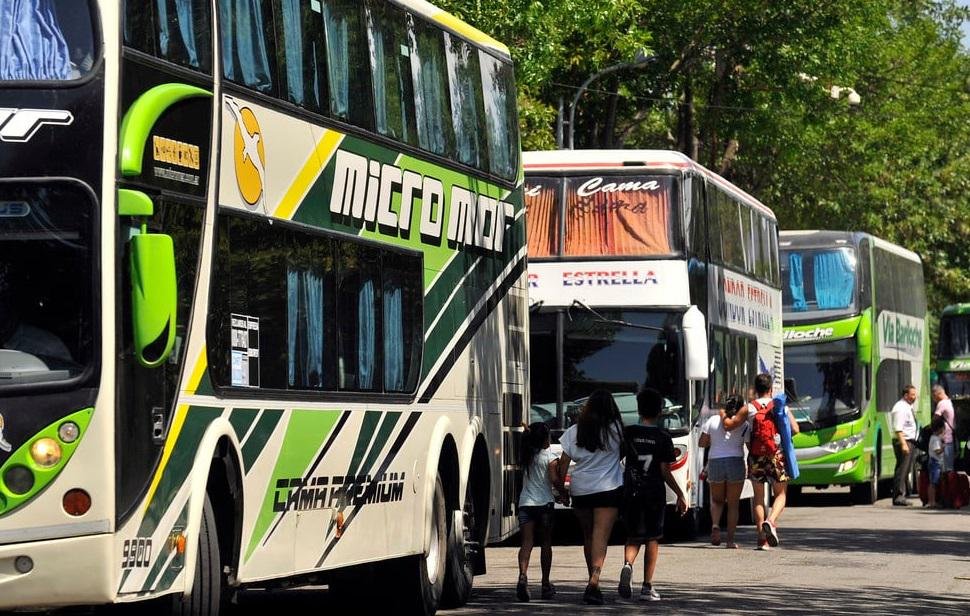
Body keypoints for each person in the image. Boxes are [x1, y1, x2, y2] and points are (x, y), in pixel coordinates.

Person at [617, 388, 687, 602]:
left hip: (631, 491)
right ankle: (647, 587)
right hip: (653, 492)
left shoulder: (628, 433)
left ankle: (628, 565)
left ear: (638, 409)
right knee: (653, 538)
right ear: (660, 412)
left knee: (633, 535)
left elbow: (616, 459)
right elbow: (665, 470)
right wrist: (680, 493)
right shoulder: (663, 437)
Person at [555, 390, 624, 606]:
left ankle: (592, 581)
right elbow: (622, 454)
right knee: (600, 537)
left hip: (581, 490)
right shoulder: (617, 431)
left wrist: (561, 490)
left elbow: (563, 464)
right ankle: (594, 581)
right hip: (608, 488)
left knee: (588, 537)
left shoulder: (574, 431)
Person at [722, 373, 799, 550]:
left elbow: (730, 424)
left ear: (755, 390)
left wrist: (722, 413)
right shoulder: (780, 406)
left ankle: (762, 539)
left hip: (756, 457)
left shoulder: (750, 408)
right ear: (771, 388)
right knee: (780, 494)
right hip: (776, 456)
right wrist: (781, 436)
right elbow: (795, 429)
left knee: (758, 497)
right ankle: (771, 521)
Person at [515, 422, 562, 602]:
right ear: (546, 438)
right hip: (545, 505)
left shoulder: (527, 455)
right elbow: (554, 480)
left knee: (527, 543)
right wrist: (563, 493)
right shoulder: (550, 456)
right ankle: (545, 583)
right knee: (545, 544)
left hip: (526, 503)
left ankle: (523, 576)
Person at [699, 395, 747, 549]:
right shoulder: (744, 424)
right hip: (736, 462)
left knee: (717, 500)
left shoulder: (712, 420)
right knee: (733, 505)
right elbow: (749, 444)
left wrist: (714, 439)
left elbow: (702, 443)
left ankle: (715, 525)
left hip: (716, 462)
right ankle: (730, 541)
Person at [891, 385, 919, 506]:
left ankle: (902, 494)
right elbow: (898, 428)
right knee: (902, 469)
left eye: (915, 394)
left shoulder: (907, 406)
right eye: (912, 395)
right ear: (906, 395)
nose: (915, 397)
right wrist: (903, 444)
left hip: (909, 441)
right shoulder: (900, 408)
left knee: (906, 469)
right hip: (904, 441)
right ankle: (898, 496)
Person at [932, 384, 956, 472]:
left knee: (945, 470)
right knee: (950, 468)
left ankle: (947, 486)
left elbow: (935, 419)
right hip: (950, 440)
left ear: (937, 394)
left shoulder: (942, 403)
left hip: (944, 440)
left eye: (933, 396)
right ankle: (951, 485)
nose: (933, 399)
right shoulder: (949, 402)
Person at [926, 415, 947, 509]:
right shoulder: (935, 439)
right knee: (933, 483)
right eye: (943, 429)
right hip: (934, 463)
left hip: (936, 463)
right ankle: (932, 502)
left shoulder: (935, 438)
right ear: (939, 429)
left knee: (934, 483)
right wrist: (943, 448)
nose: (944, 431)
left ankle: (933, 501)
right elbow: (937, 451)